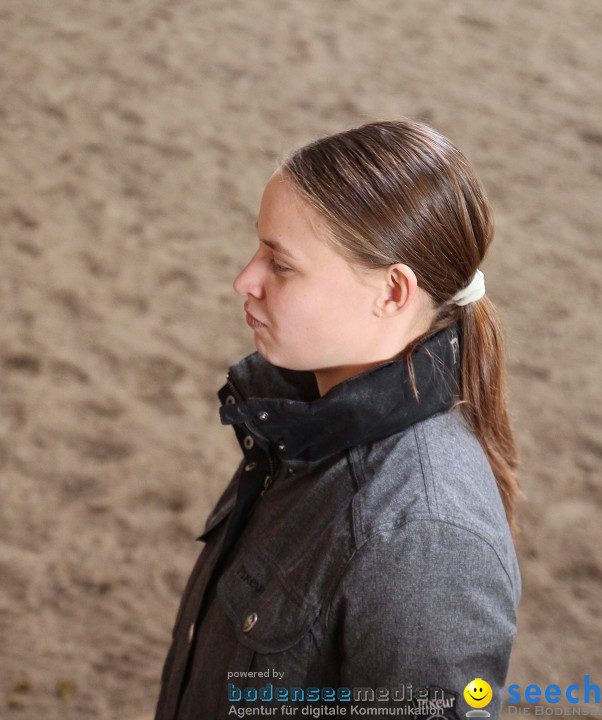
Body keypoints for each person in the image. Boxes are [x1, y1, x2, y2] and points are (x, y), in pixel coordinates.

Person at [156, 120, 521, 720]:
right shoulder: (302, 426)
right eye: (258, 249)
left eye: (281, 263)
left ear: (393, 293)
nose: (245, 280)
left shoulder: (423, 538)